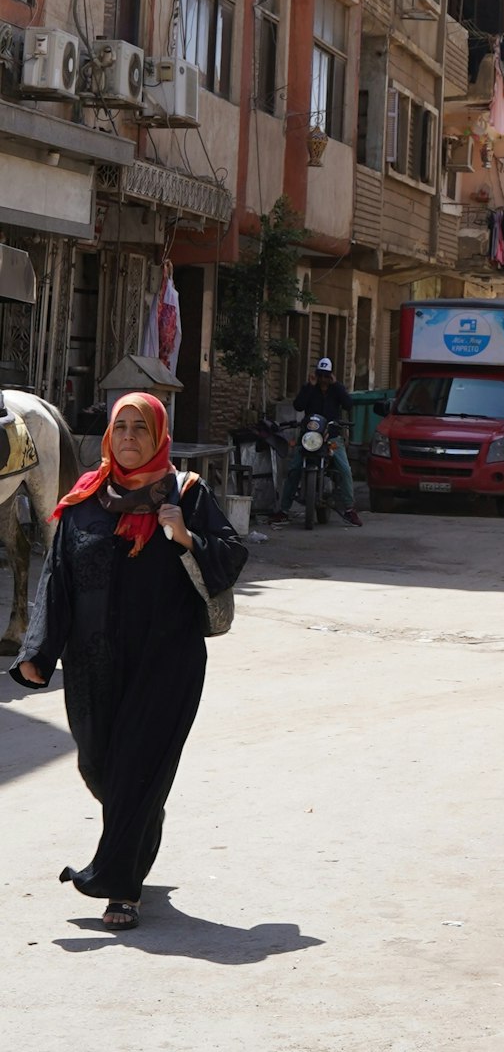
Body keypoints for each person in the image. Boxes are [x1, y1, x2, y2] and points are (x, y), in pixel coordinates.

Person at [10, 391, 246, 931]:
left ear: (160, 436)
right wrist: (38, 653)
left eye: (142, 429)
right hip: (93, 663)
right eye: (122, 428)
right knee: (100, 767)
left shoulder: (186, 492)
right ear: (109, 436)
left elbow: (231, 554)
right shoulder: (84, 499)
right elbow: (59, 581)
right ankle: (138, 826)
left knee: (138, 769)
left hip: (167, 660)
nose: (131, 439)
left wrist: (185, 537)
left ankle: (121, 887)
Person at [271, 356, 361, 527]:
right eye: (320, 375)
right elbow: (298, 405)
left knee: (345, 469)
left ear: (331, 376)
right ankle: (283, 510)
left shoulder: (336, 390)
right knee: (294, 468)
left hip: (331, 437)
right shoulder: (310, 389)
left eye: (327, 376)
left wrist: (337, 386)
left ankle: (349, 509)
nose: (323, 379)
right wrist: (308, 386)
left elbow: (349, 404)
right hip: (309, 437)